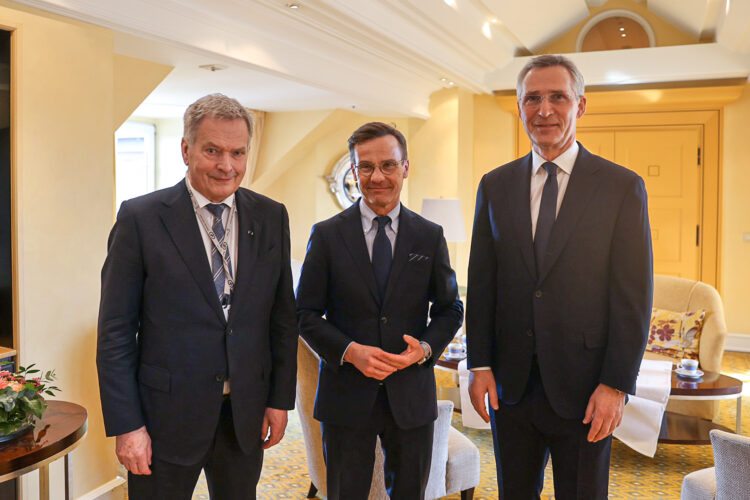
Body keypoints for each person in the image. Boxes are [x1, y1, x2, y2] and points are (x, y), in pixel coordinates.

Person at [466, 55, 653, 499]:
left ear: (580, 106)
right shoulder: (495, 185)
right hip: (510, 387)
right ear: (519, 107)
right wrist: (480, 364)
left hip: (587, 387)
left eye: (557, 97)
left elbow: (632, 296)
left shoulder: (621, 187)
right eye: (532, 98)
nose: (544, 110)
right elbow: (483, 281)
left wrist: (616, 385)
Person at [97, 93, 298, 499]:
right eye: (212, 150)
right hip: (164, 420)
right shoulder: (140, 218)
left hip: (243, 415)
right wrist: (127, 426)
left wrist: (279, 400)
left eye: (237, 152)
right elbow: (116, 331)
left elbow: (281, 318)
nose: (227, 165)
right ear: (186, 150)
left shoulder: (271, 216)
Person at [296, 122, 463, 499]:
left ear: (405, 167)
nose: (377, 177)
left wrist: (423, 349)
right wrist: (351, 352)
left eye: (388, 165)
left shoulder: (429, 235)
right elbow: (303, 313)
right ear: (354, 171)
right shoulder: (326, 235)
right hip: (346, 395)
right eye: (366, 167)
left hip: (411, 396)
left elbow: (450, 308)